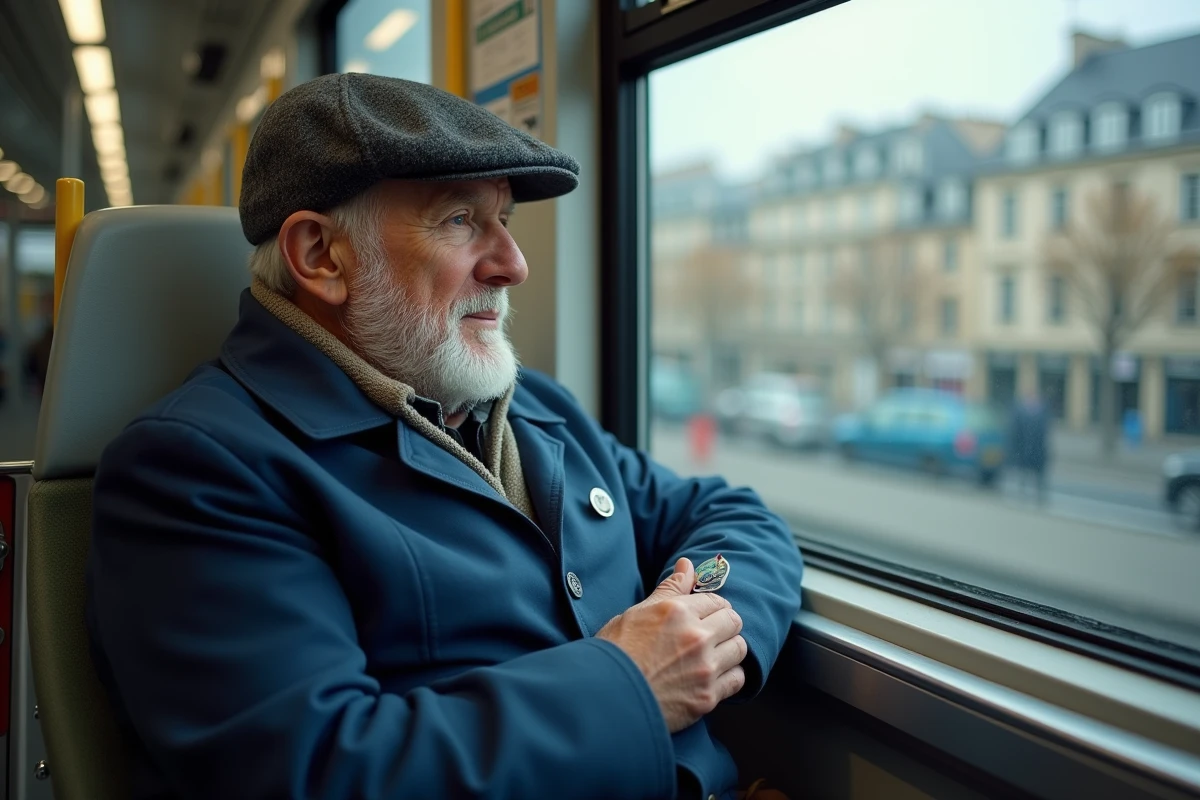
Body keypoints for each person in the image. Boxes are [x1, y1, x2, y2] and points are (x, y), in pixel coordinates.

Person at [87, 74, 803, 800]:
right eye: (461, 220)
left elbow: (734, 518)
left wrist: (704, 630)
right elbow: (317, 772)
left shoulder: (531, 410)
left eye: (505, 221)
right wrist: (633, 687)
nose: (513, 265)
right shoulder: (200, 469)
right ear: (321, 256)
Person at [1009, 390, 1050, 503]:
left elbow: (1045, 433)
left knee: (1039, 475)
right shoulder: (1021, 413)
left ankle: (1040, 496)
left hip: (1038, 450)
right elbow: (1016, 432)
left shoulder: (1042, 413)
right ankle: (1023, 493)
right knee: (1024, 473)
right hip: (1025, 449)